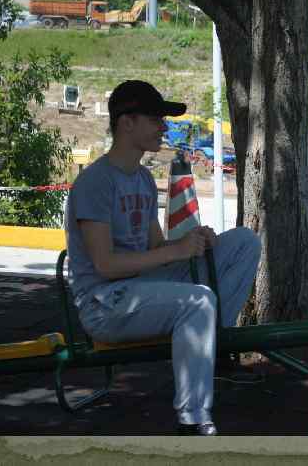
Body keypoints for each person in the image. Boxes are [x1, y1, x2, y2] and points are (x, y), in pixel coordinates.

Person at [64, 80, 261, 435]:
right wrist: (176, 250)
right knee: (198, 300)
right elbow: (105, 265)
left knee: (244, 242)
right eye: (156, 119)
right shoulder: (95, 182)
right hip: (105, 304)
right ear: (127, 122)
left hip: (142, 288)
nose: (164, 127)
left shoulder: (141, 178)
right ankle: (193, 420)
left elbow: (156, 248)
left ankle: (212, 342)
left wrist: (191, 240)